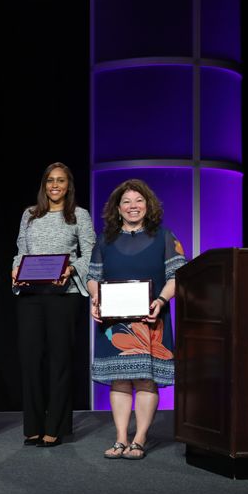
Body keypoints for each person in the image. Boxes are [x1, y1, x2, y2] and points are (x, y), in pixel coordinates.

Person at [86, 179, 186, 460]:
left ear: (148, 205)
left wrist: (161, 301)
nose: (133, 206)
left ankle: (139, 439)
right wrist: (96, 299)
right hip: (114, 322)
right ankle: (121, 439)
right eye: (126, 202)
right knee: (119, 381)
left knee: (145, 381)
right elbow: (93, 277)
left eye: (139, 201)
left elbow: (177, 276)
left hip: (151, 319)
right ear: (117, 208)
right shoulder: (104, 240)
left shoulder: (165, 237)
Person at [12, 162, 96, 447]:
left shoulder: (79, 215)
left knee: (60, 361)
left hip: (64, 295)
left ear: (68, 185)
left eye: (61, 180)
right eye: (50, 180)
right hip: (31, 295)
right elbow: (21, 250)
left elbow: (90, 253)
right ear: (44, 185)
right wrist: (15, 269)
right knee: (30, 361)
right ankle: (33, 426)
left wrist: (71, 269)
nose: (55, 185)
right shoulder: (29, 214)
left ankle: (56, 427)